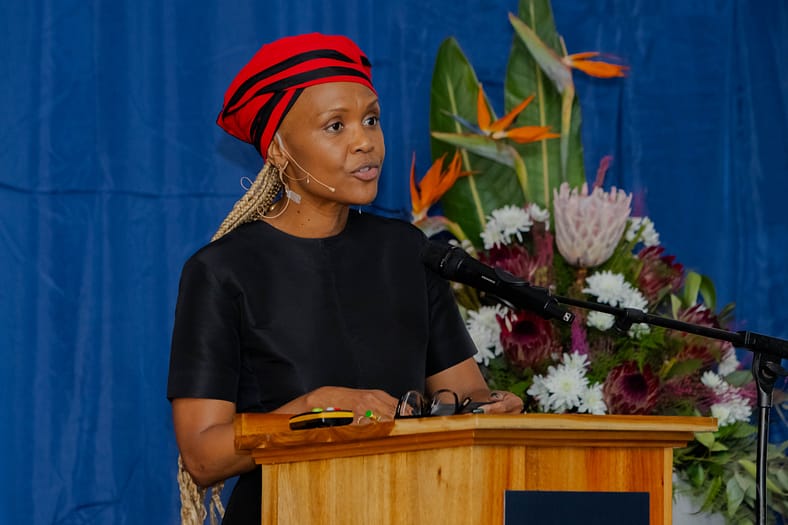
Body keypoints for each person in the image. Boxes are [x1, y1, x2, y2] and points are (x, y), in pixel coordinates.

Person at [167, 32, 524, 525]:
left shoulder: (407, 251)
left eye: (372, 120)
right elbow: (204, 455)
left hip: (414, 509)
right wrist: (315, 410)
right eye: (335, 125)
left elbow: (465, 393)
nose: (366, 141)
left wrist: (492, 408)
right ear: (278, 149)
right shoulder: (221, 271)